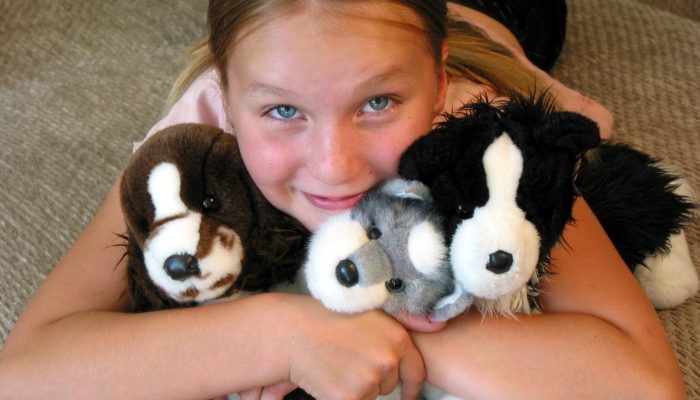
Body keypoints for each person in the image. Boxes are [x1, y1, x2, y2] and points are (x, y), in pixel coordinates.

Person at [0, 0, 686, 399]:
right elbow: (27, 372)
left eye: (379, 101)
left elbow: (644, 383)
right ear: (227, 100)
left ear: (440, 80)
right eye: (281, 111)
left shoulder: (481, 135)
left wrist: (373, 319)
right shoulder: (196, 144)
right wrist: (287, 331)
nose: (336, 167)